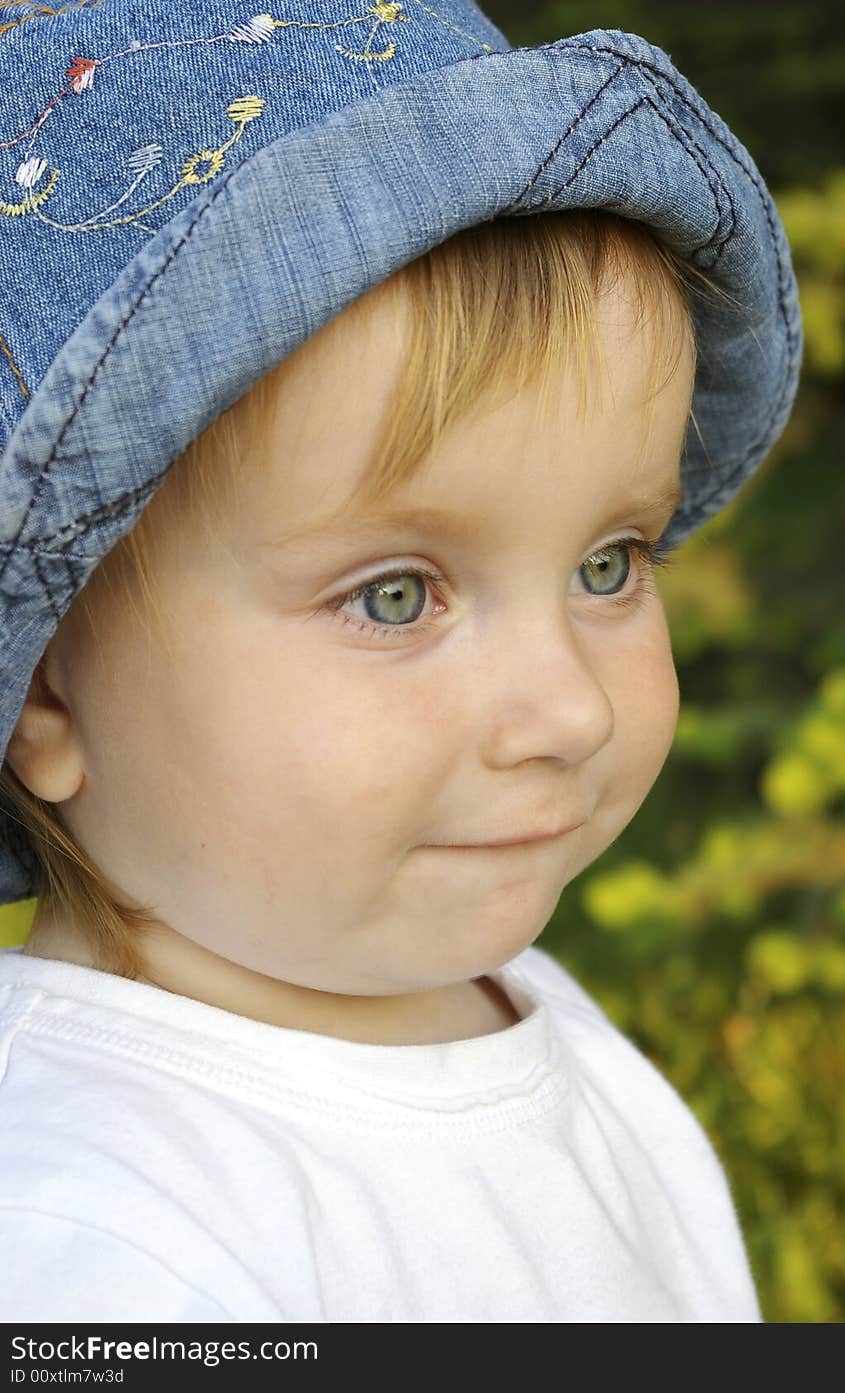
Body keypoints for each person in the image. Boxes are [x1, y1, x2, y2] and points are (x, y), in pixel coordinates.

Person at [0, 1, 801, 1321]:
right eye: (394, 593)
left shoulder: (528, 1020)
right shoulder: (90, 1227)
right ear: (45, 686)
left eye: (608, 564)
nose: (565, 710)